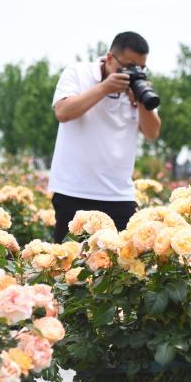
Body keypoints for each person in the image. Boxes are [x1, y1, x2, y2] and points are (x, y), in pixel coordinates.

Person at [49, 32, 162, 242]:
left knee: (124, 267)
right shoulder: (78, 72)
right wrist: (104, 88)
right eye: (128, 67)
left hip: (119, 196)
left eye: (140, 68)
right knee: (66, 267)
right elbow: (63, 112)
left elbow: (152, 133)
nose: (133, 73)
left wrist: (140, 103)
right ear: (110, 58)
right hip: (74, 192)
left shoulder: (138, 87)